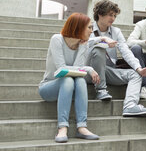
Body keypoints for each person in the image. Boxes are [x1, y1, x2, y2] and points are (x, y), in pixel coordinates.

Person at [87, 0, 146, 117]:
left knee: (136, 74)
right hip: (90, 71)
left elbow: (126, 51)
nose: (113, 18)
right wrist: (101, 39)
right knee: (99, 49)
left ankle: (130, 106)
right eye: (110, 15)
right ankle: (101, 90)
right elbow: (81, 43)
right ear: (100, 14)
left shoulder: (116, 32)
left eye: (115, 15)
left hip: (108, 70)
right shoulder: (88, 28)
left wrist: (139, 68)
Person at [38, 13, 100, 143]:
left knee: (80, 79)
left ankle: (82, 127)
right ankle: (62, 127)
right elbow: (62, 69)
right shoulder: (57, 39)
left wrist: (82, 47)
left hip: (71, 88)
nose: (91, 31)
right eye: (89, 27)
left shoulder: (83, 44)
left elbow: (77, 69)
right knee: (67, 79)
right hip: (49, 87)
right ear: (78, 27)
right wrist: (88, 69)